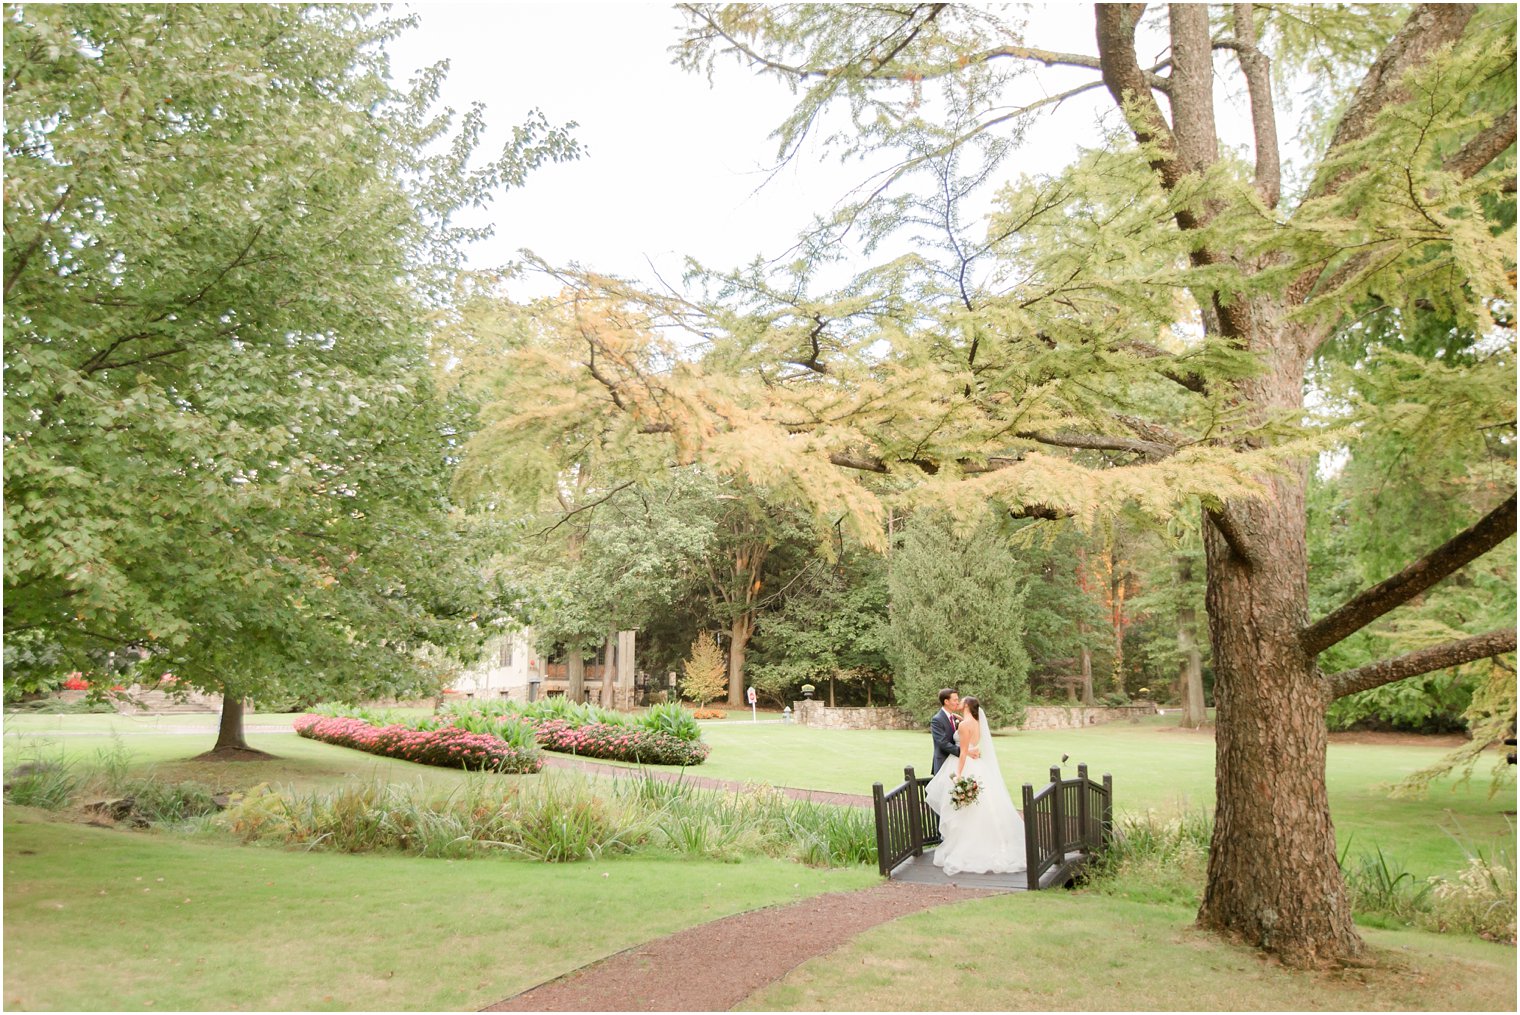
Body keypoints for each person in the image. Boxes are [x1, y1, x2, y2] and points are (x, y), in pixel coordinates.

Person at [924, 696, 1027, 875]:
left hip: (966, 765)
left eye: (961, 701)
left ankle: (965, 846)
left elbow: (963, 753)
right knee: (982, 807)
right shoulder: (975, 722)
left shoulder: (964, 725)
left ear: (967, 706)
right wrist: (960, 720)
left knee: (963, 809)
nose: (959, 702)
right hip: (979, 767)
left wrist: (958, 774)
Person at [929, 687, 962, 775]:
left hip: (956, 762)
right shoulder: (937, 719)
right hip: (943, 762)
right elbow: (943, 743)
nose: (957, 702)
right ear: (946, 702)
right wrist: (963, 752)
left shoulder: (955, 718)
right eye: (955, 700)